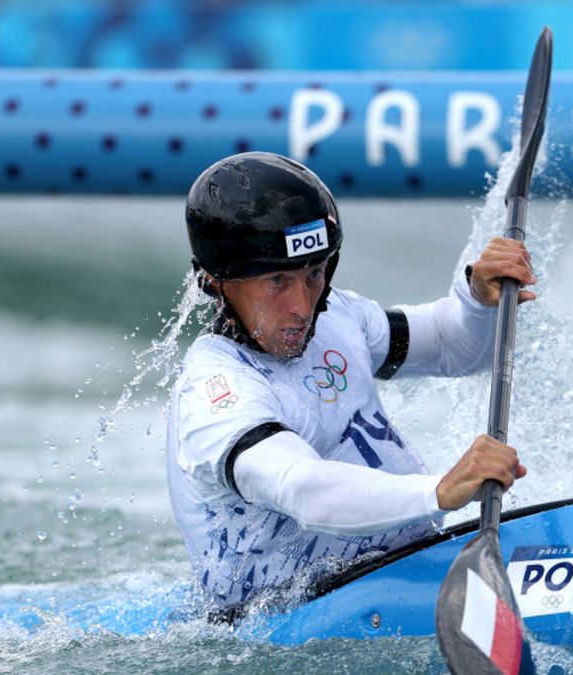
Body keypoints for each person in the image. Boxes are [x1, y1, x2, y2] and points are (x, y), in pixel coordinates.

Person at [165, 151, 534, 611]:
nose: (303, 304)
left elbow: (450, 346)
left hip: (402, 568)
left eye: (314, 273)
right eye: (278, 281)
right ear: (217, 283)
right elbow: (303, 487)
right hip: (284, 623)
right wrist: (439, 491)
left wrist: (478, 298)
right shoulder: (216, 393)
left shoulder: (335, 316)